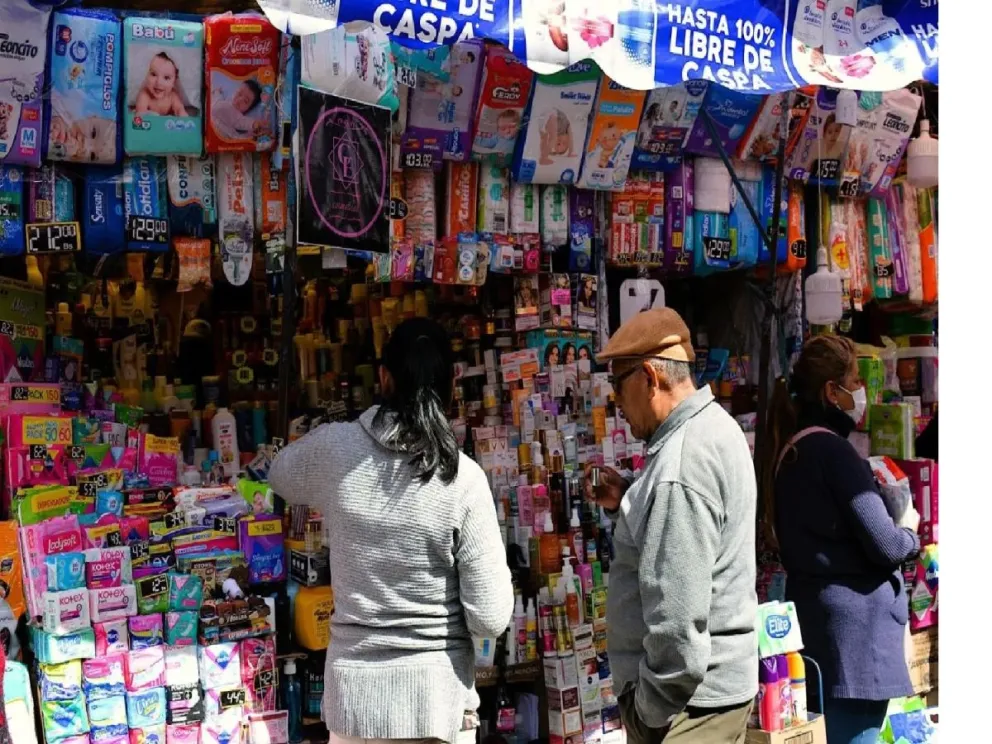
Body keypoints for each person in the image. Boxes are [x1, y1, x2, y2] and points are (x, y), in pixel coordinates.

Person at [268, 317, 514, 744]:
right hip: (437, 706)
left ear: (383, 378)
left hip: (355, 706)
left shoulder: (336, 449)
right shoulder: (465, 480)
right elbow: (491, 617)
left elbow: (279, 474)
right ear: (451, 385)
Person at [584, 308, 757, 743]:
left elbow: (677, 624)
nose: (617, 404)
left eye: (617, 387)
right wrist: (630, 499)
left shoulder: (679, 466)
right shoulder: (716, 427)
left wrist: (648, 710)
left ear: (649, 377)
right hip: (708, 700)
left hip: (688, 710)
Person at [762, 335, 920, 744]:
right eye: (853, 379)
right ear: (832, 392)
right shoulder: (833, 453)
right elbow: (886, 545)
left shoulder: (791, 451)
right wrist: (909, 530)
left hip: (820, 633)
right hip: (855, 644)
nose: (860, 390)